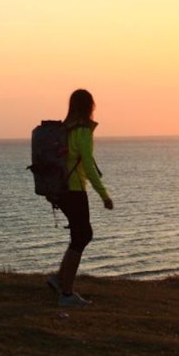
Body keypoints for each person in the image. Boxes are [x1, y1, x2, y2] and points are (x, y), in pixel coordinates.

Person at [45, 88, 114, 307]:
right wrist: (104, 195)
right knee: (82, 235)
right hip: (74, 189)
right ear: (89, 106)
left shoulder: (65, 129)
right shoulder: (83, 131)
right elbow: (88, 166)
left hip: (60, 190)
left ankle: (59, 279)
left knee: (79, 235)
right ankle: (66, 293)